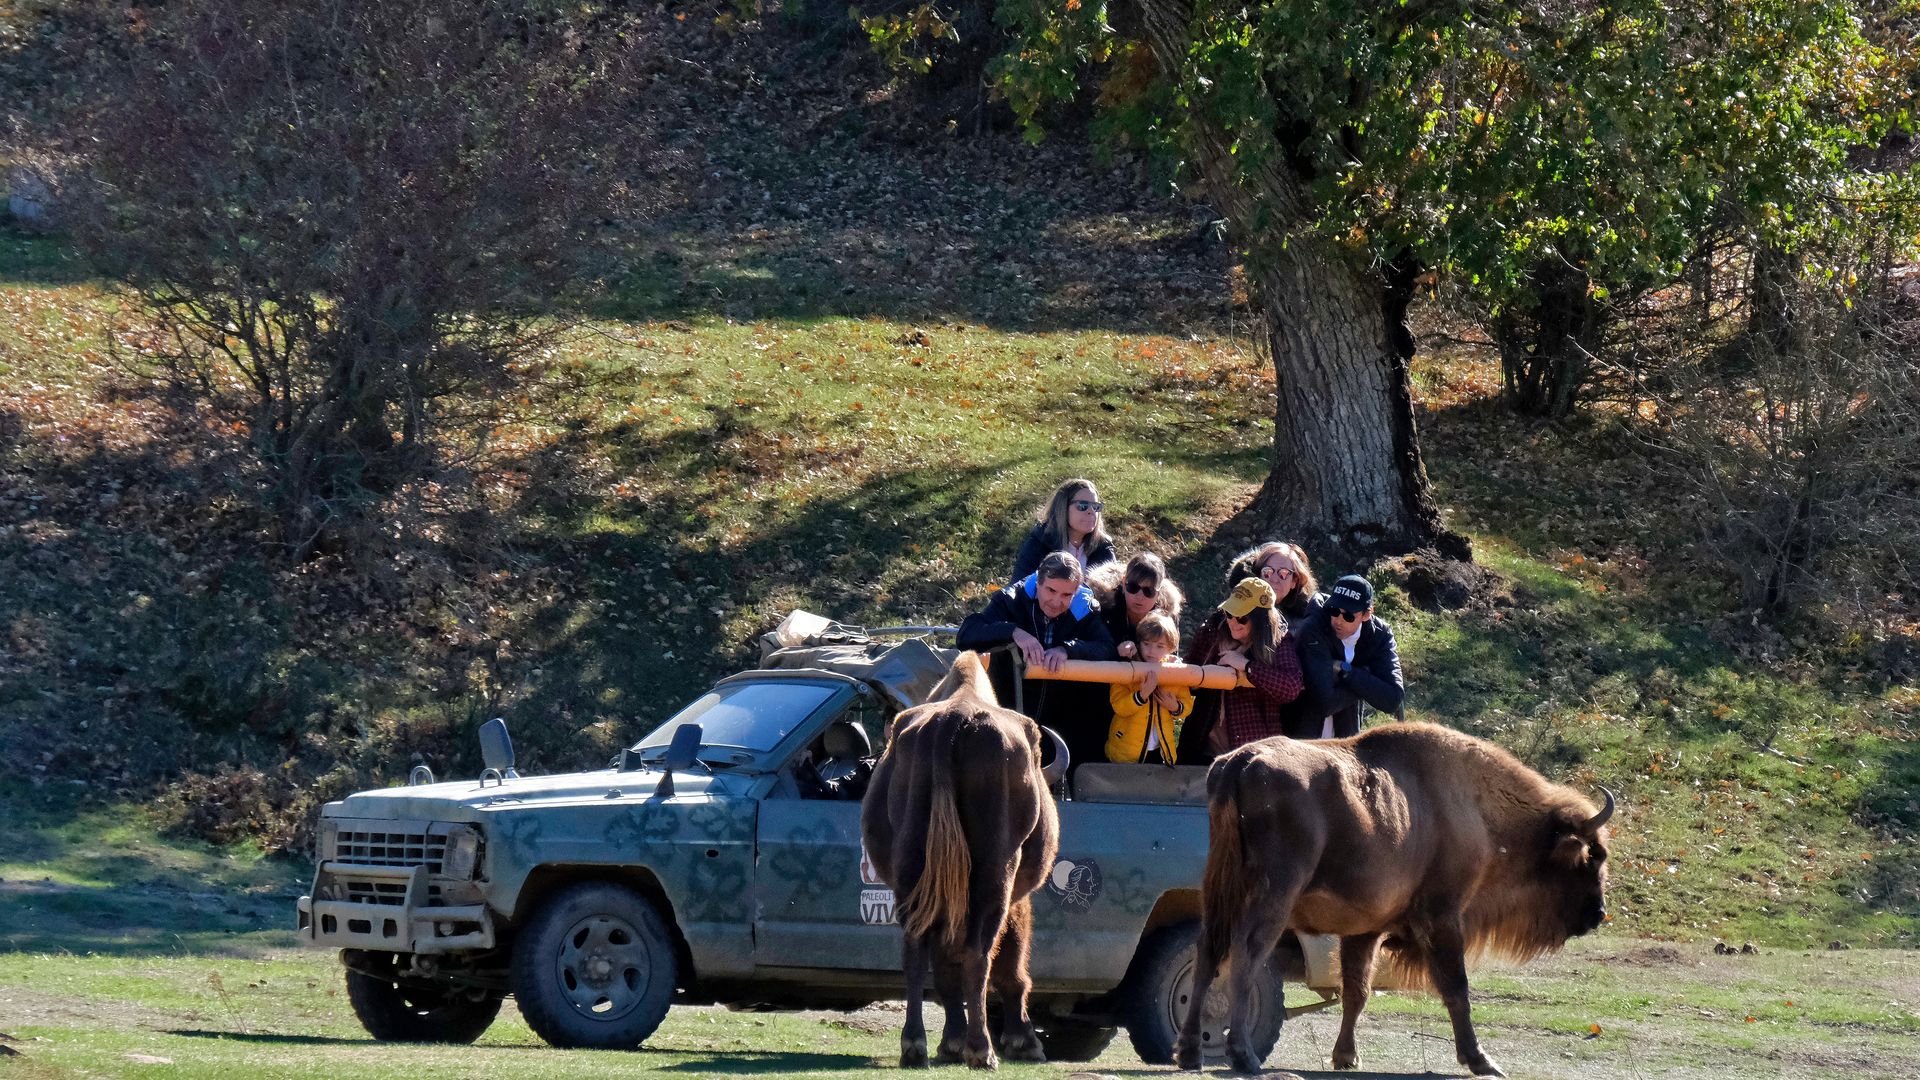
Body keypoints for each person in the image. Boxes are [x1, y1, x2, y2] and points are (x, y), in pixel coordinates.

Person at [957, 550, 1116, 766]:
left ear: (1076, 592)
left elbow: (1107, 648)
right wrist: (1013, 632)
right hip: (1008, 715)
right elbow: (967, 634)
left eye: (1066, 595)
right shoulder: (1011, 599)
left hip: (1061, 723)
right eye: (1051, 590)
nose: (1056, 601)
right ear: (1038, 582)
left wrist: (1067, 650)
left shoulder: (1085, 609)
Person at [1175, 577, 1303, 762]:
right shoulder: (1211, 633)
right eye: (1229, 614)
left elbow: (1290, 687)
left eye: (1242, 618)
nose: (1232, 622)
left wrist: (1247, 666)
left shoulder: (1280, 642)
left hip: (1253, 753)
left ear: (1261, 619)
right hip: (1201, 745)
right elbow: (1190, 670)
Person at [1286, 574, 1404, 739]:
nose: (1338, 620)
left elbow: (1393, 699)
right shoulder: (1313, 628)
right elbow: (1324, 703)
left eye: (1348, 616)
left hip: (1345, 736)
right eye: (1334, 611)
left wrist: (1346, 671)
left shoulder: (1379, 634)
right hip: (1302, 733)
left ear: (1367, 614)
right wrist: (1366, 681)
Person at [1105, 613, 1194, 765]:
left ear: (1171, 648)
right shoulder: (1126, 668)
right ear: (1138, 643)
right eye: (1147, 644)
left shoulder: (1175, 672)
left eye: (1160, 646)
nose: (1152, 651)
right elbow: (1119, 706)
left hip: (1160, 750)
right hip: (1125, 751)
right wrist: (1142, 695)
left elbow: (1187, 705)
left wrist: (1174, 707)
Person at [1011, 478, 1117, 581]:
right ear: (1062, 508)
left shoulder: (1103, 547)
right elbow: (1018, 589)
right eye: (1083, 506)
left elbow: (1114, 589)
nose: (1091, 511)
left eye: (1096, 506)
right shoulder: (1039, 544)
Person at [1090, 553, 1185, 659]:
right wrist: (1116, 652)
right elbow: (1093, 650)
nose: (1139, 597)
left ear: (1159, 592)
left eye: (1148, 591)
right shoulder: (1104, 608)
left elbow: (1170, 654)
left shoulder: (1167, 616)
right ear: (1123, 583)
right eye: (1133, 587)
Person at [1227, 540, 1324, 631]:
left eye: (1283, 574)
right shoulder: (1235, 612)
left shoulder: (1307, 624)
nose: (1274, 579)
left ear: (1294, 581)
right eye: (1267, 572)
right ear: (1259, 575)